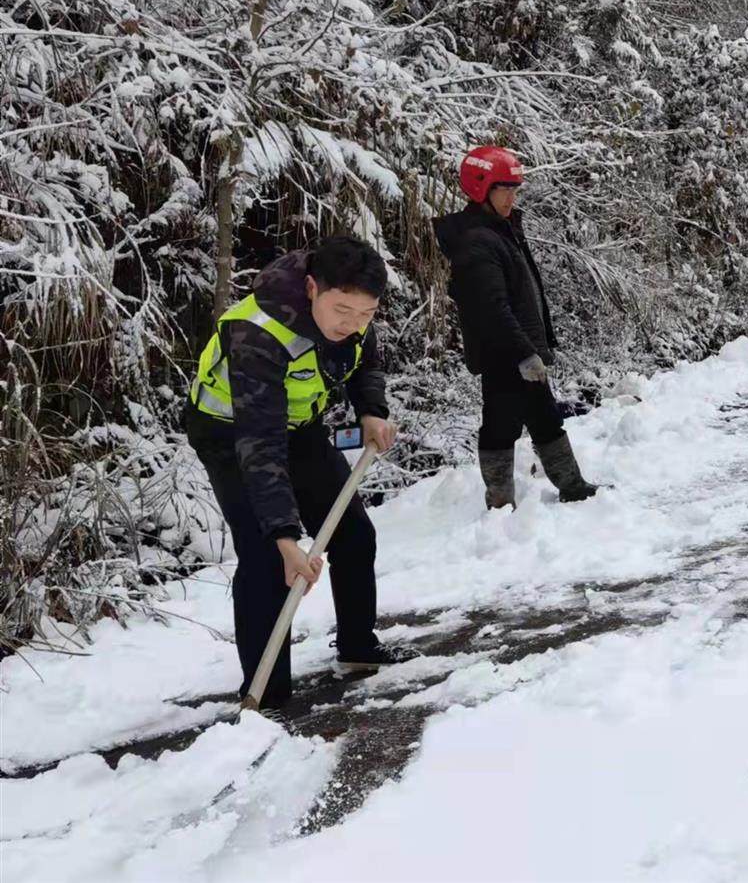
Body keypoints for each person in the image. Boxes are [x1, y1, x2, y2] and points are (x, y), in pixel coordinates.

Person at [185, 237, 416, 716]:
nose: (352, 324)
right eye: (342, 310)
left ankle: (357, 650)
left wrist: (370, 410)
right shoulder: (260, 335)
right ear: (312, 288)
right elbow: (260, 445)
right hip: (232, 435)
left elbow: (362, 359)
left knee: (352, 533)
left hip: (298, 427)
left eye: (366, 314)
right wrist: (286, 535)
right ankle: (267, 694)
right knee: (268, 557)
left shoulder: (352, 313)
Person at [433, 146, 599, 509]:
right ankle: (526, 498)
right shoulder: (478, 241)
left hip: (511, 349)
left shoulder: (498, 230)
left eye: (514, 189)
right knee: (518, 422)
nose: (511, 197)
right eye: (503, 189)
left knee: (526, 419)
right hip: (506, 351)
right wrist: (525, 353)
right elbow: (491, 308)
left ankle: (532, 496)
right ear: (480, 190)